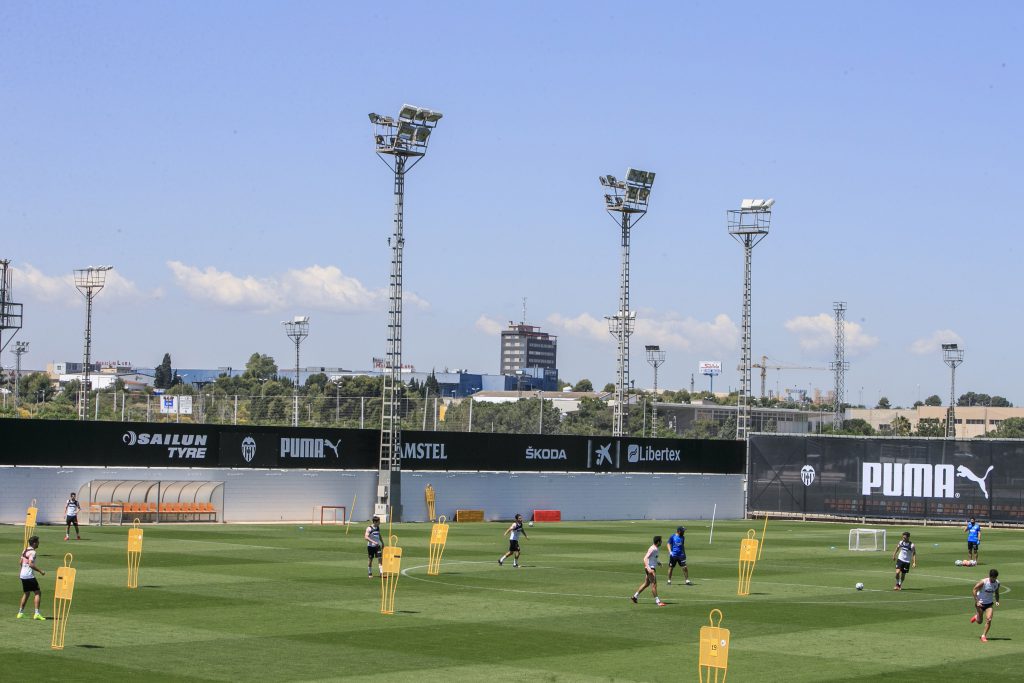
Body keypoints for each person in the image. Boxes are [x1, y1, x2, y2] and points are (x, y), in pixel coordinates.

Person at [631, 536, 666, 607]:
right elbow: (645, 558)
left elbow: (653, 558)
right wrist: (649, 568)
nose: (662, 542)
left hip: (650, 568)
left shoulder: (655, 549)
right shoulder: (652, 549)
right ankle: (658, 602)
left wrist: (658, 562)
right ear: (658, 542)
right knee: (654, 584)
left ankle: (635, 597)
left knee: (646, 584)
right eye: (661, 541)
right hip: (651, 569)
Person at [17, 535, 46, 620]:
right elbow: (30, 564)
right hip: (29, 575)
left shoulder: (25, 550)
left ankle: (20, 613)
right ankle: (36, 613)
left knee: (27, 593)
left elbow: (20, 562)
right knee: (37, 592)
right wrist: (41, 571)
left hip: (22, 575)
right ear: (34, 543)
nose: (38, 543)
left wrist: (23, 569)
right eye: (37, 542)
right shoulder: (33, 552)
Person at [970, 568, 1000, 642]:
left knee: (989, 619)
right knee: (979, 622)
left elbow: (996, 592)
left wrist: (997, 601)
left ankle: (983, 636)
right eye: (992, 578)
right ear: (990, 576)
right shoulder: (983, 582)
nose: (994, 579)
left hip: (989, 604)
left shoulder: (997, 583)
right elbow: (974, 589)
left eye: (995, 578)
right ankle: (977, 616)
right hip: (980, 603)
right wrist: (977, 601)